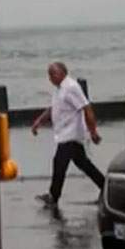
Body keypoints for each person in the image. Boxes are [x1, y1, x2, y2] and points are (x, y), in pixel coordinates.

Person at [31, 62, 105, 207]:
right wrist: (39, 121)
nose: (50, 78)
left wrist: (93, 131)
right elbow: (54, 108)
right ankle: (106, 187)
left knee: (59, 162)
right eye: (49, 75)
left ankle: (53, 196)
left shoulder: (71, 87)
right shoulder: (60, 89)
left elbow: (86, 108)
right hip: (64, 134)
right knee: (83, 163)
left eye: (52, 74)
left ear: (61, 73)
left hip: (71, 135)